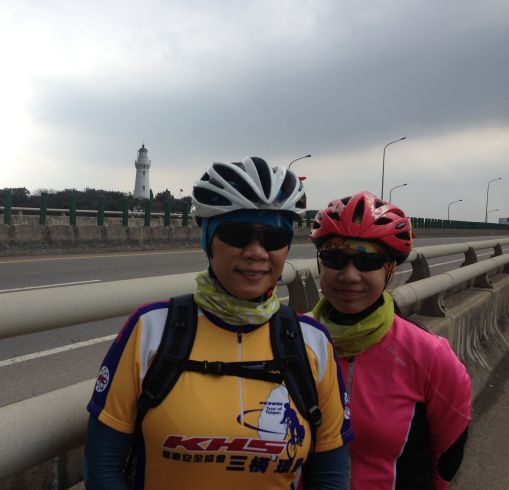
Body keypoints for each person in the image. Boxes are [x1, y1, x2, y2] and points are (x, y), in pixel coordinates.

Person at [85, 157, 353, 489]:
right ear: (207, 240)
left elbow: (329, 476)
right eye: (238, 235)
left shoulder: (312, 342)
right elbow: (102, 466)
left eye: (273, 238)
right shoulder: (151, 329)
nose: (256, 252)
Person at [308, 191, 471, 489]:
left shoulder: (429, 354)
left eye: (367, 261)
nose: (349, 275)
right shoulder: (295, 341)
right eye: (334, 258)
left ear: (390, 268)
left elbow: (448, 456)